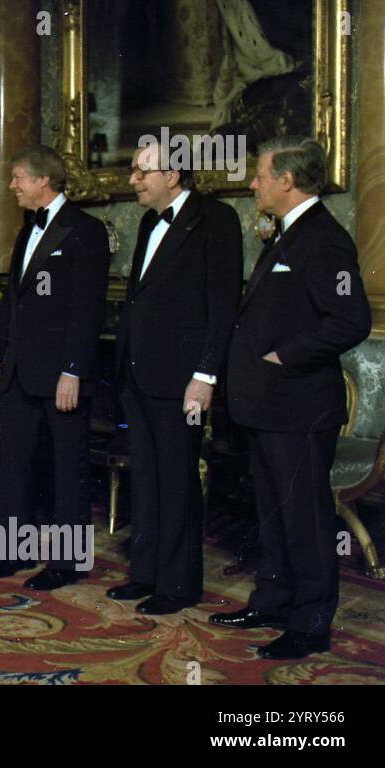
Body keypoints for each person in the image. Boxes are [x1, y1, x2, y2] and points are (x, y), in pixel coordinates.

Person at [212, 136, 370, 659]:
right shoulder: (285, 234)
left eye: (260, 176)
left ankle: (310, 621)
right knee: (273, 513)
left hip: (299, 407)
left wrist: (287, 356)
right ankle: (274, 600)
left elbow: (351, 320)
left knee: (303, 518)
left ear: (286, 180)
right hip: (267, 407)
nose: (253, 184)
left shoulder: (325, 240)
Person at [107, 141, 241, 614]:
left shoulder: (217, 221)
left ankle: (178, 585)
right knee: (146, 478)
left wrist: (204, 377)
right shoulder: (147, 221)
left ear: (174, 174)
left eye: (142, 172)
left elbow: (222, 307)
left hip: (183, 381)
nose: (133, 180)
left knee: (178, 480)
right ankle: (145, 574)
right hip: (138, 377)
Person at [0, 145, 110, 589]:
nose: (12, 185)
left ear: (42, 181)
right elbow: (13, 304)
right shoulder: (25, 231)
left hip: (61, 377)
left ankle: (66, 564)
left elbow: (88, 310)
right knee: (14, 465)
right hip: (19, 372)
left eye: (18, 177)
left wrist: (73, 370)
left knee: (65, 469)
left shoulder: (85, 230)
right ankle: (10, 554)